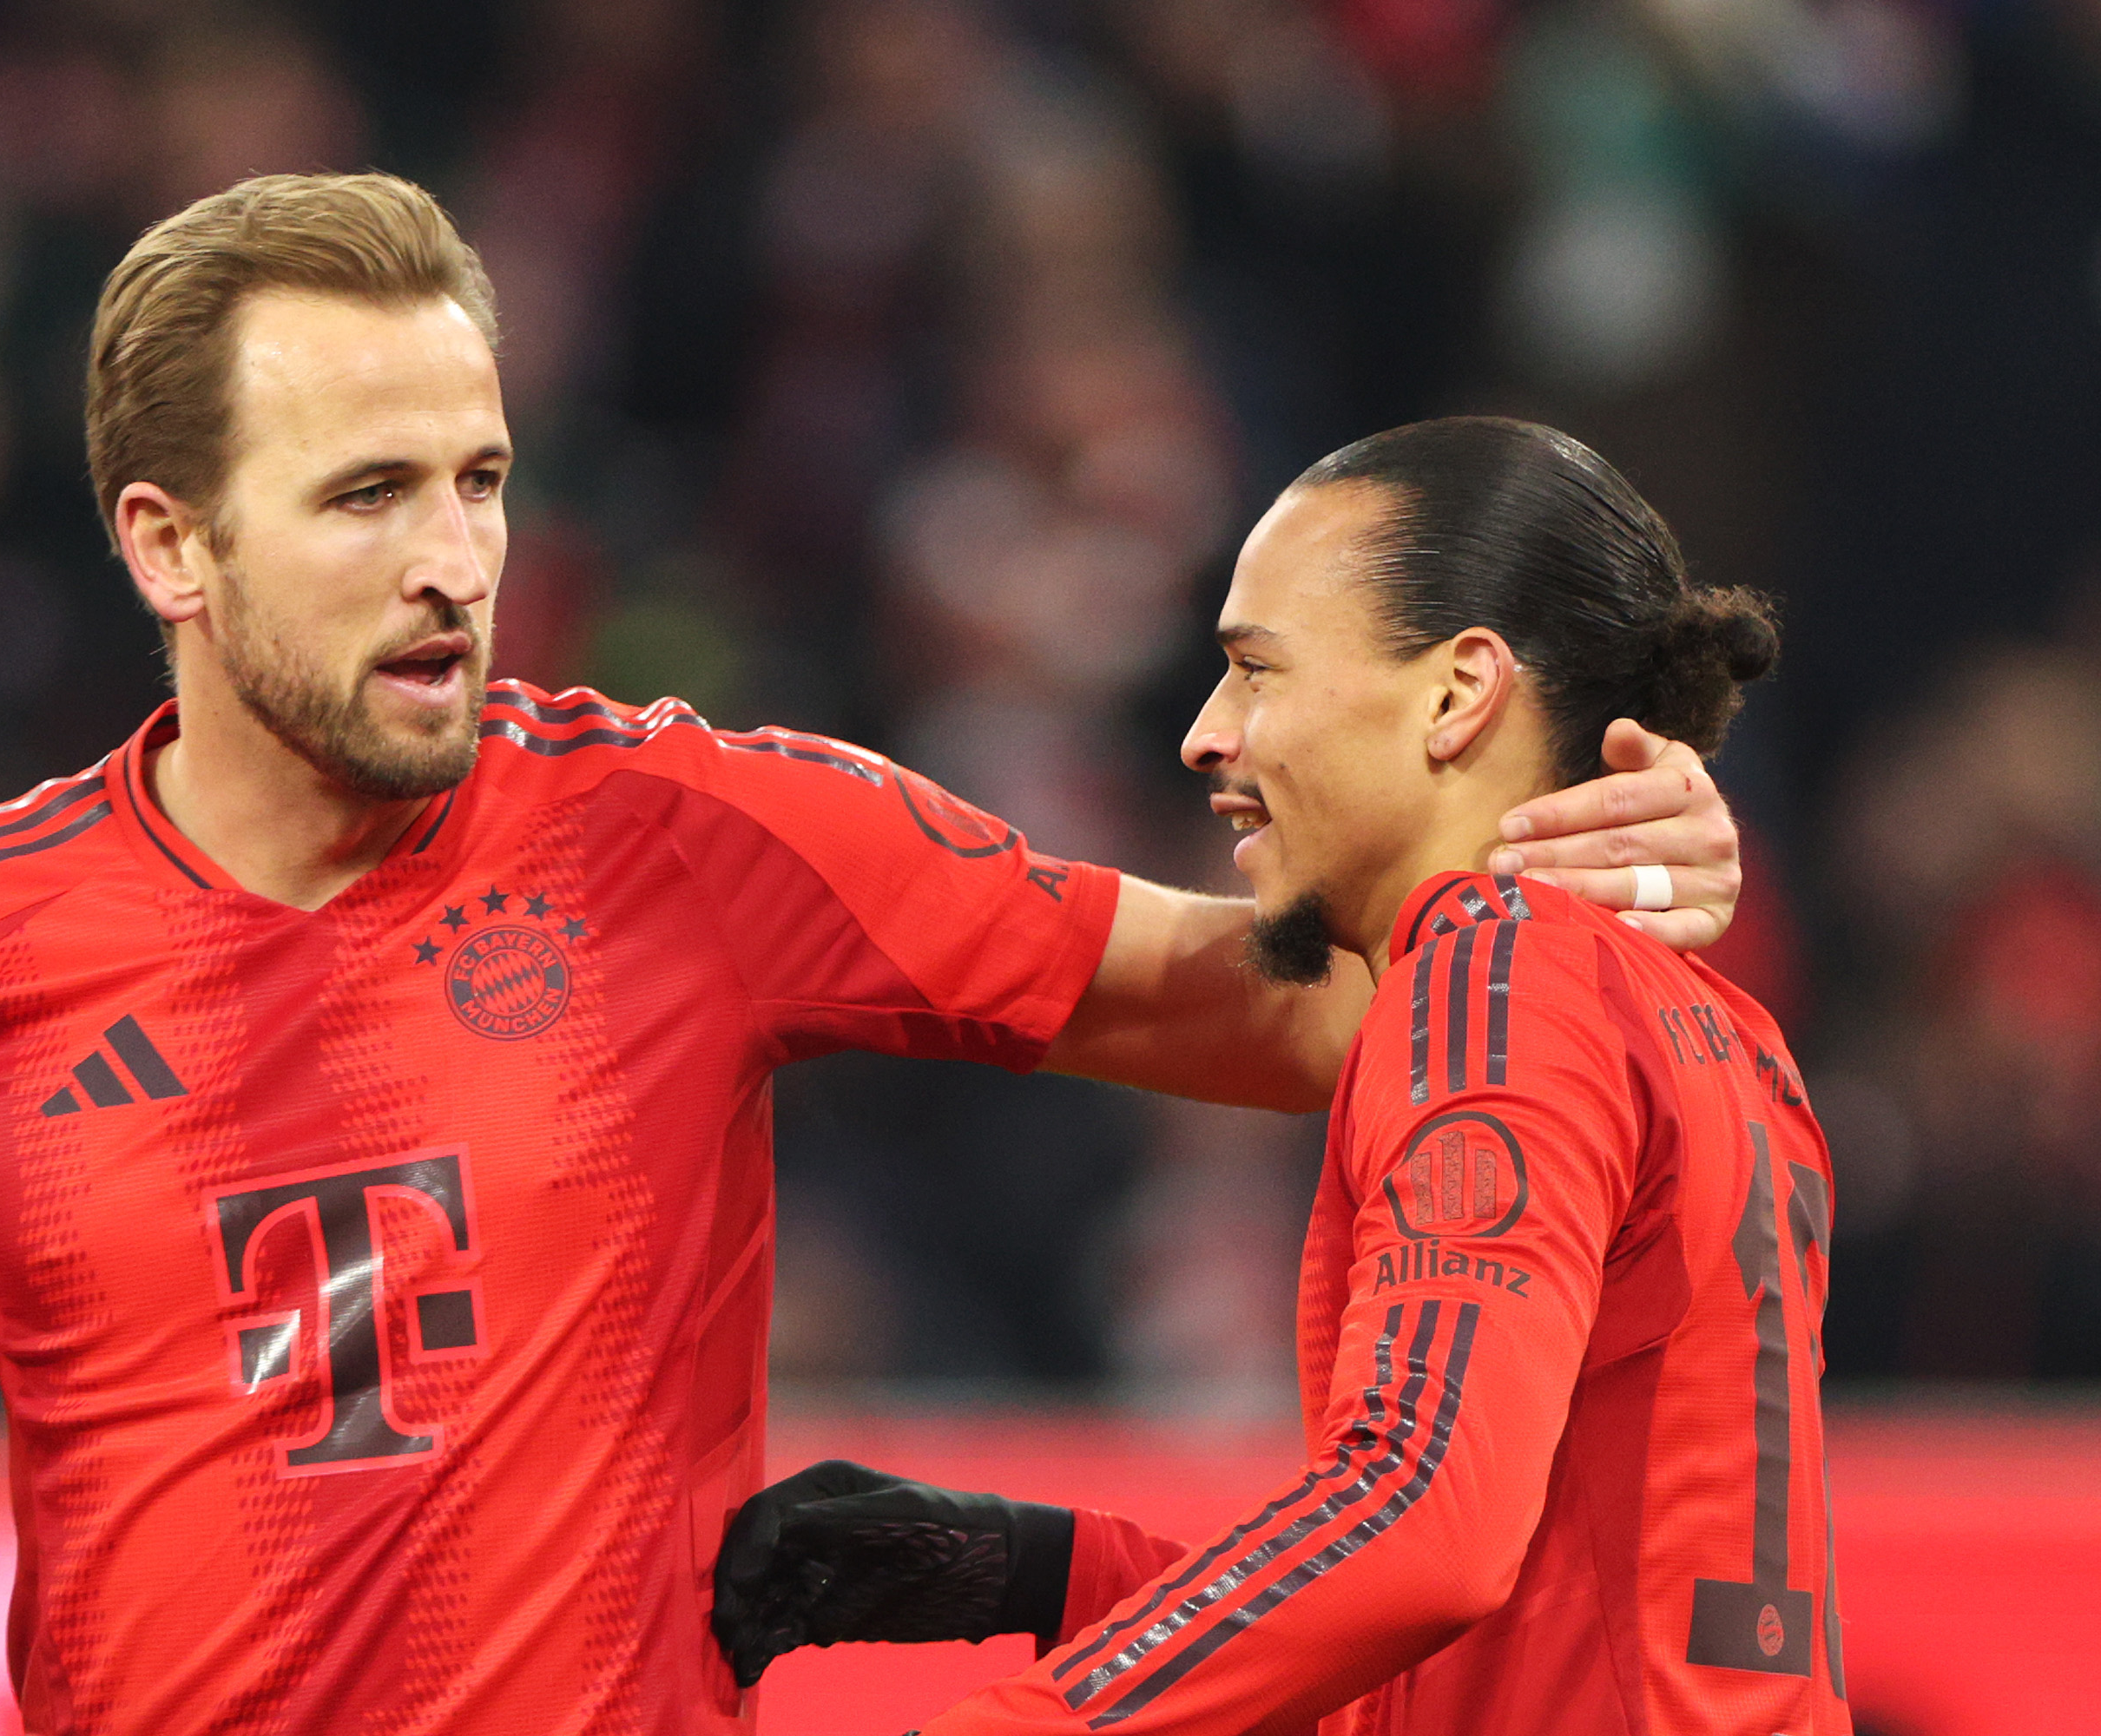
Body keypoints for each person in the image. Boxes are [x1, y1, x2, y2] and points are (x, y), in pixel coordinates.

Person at [0, 179, 1743, 1736]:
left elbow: (1301, 1004)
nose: (456, 560)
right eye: (369, 493)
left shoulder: (693, 831)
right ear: (166, 546)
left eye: (483, 478)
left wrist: (1565, 863)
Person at [715, 418, 1846, 1736]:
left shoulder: (1494, 975)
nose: (1208, 735)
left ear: (1457, 693)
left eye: (1257, 670)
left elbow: (1423, 1525)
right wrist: (1049, 1568)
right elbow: (1518, 1612)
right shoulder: (1728, 1035)